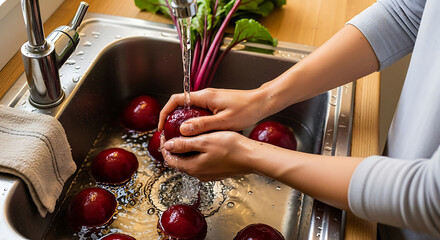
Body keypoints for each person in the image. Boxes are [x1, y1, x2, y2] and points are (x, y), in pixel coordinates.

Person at [158, 0, 440, 239]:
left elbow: (430, 197)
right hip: (384, 201)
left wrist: (247, 155)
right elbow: (408, 11)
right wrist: (262, 98)